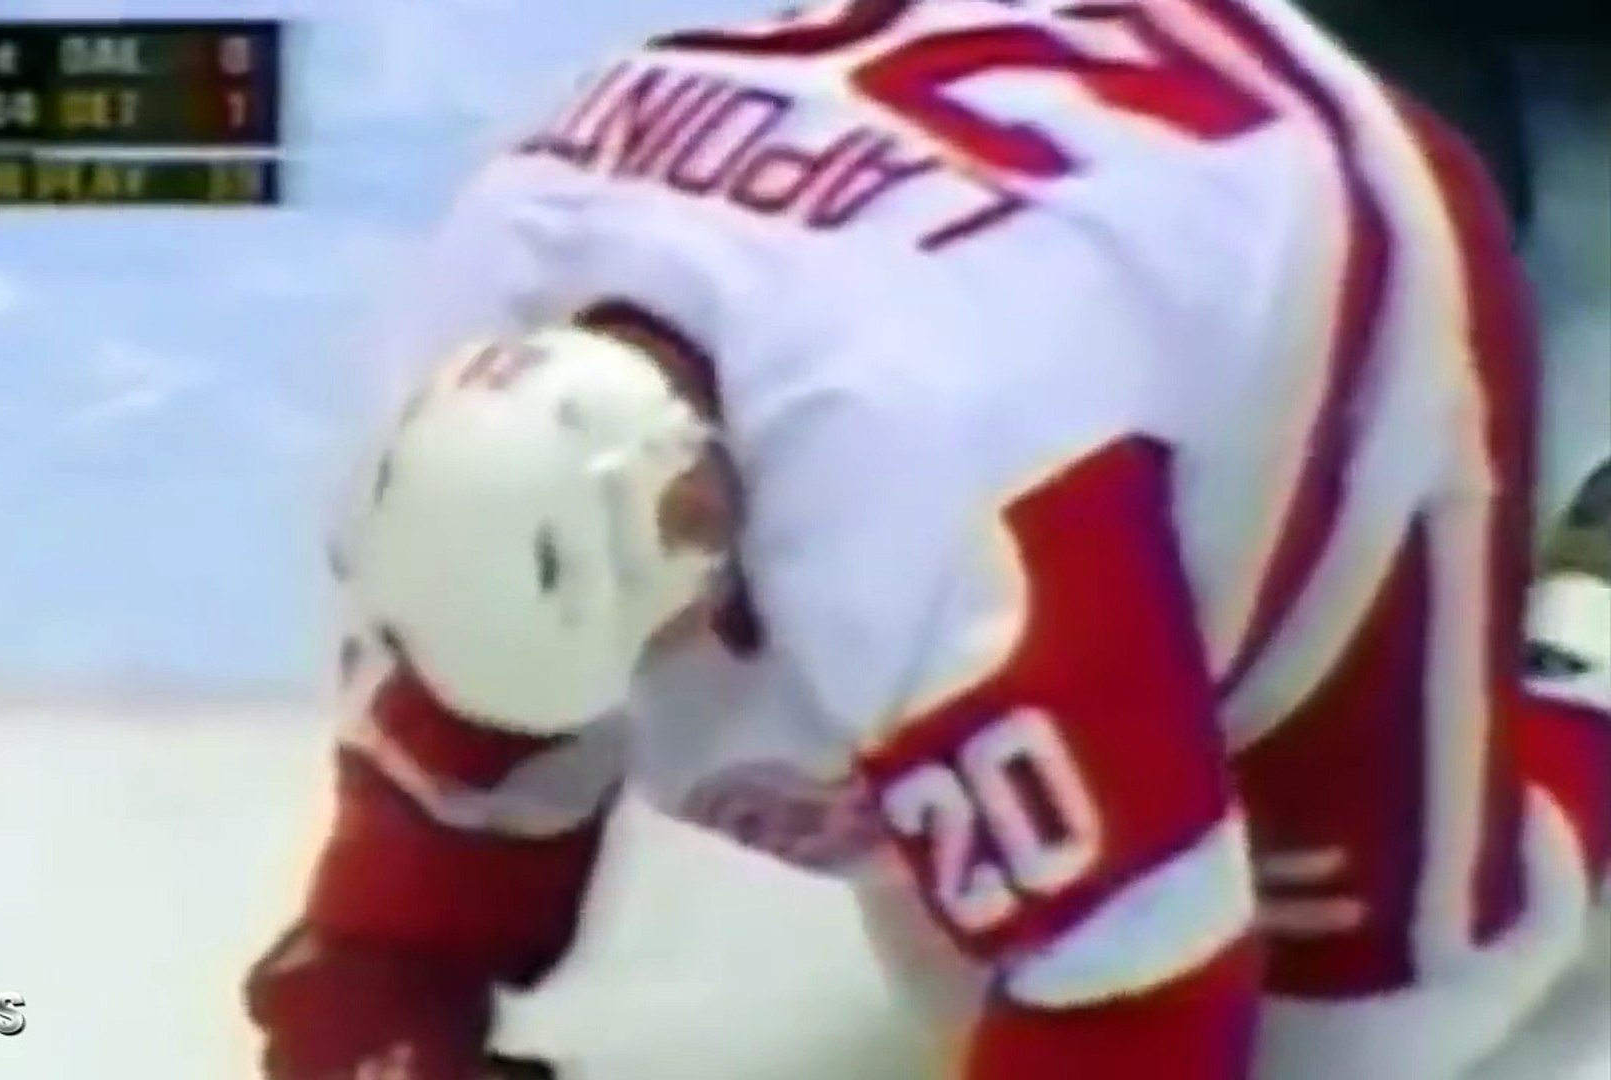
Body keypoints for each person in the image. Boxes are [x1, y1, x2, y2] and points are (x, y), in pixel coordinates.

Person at [243, 2, 1611, 1077]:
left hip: (1316, 200)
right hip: (1034, 169)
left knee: (1352, 1033)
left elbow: (1133, 999)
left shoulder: (936, 520)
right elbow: (429, 832)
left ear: (691, 515)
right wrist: (384, 1000)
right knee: (978, 912)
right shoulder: (457, 350)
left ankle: (1585, 654)